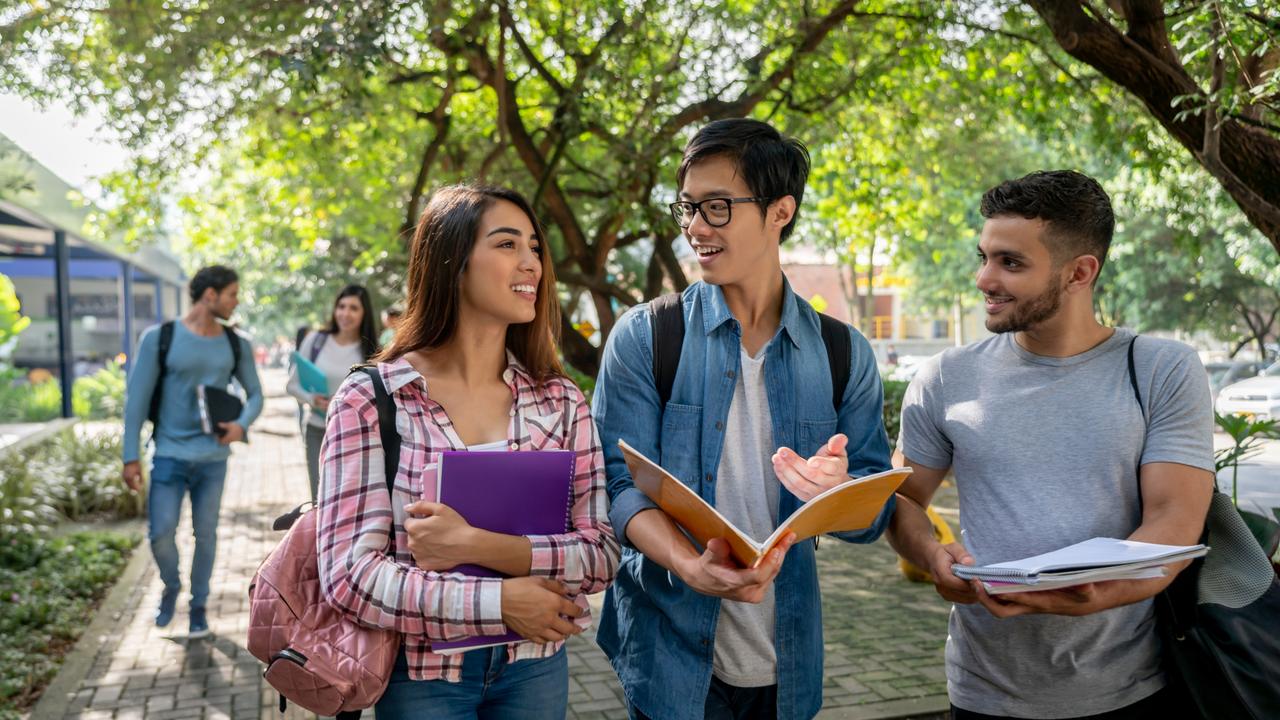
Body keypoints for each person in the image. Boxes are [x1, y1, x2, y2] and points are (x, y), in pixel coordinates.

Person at [592, 118, 895, 720]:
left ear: (780, 212)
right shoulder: (647, 336)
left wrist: (840, 495)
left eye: (718, 207)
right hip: (669, 660)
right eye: (688, 207)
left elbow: (871, 516)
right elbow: (614, 486)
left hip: (788, 667)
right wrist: (686, 565)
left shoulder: (844, 351)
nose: (695, 227)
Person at [886, 170, 1214, 719]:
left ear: (1080, 272)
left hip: (1130, 688)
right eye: (984, 255)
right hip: (983, 689)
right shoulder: (945, 377)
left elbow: (1174, 521)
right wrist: (929, 554)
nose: (983, 278)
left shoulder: (1162, 369)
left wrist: (1095, 593)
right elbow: (901, 499)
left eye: (1010, 262)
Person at [316, 184, 620, 719]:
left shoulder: (561, 399)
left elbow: (600, 555)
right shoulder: (373, 399)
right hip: (422, 676)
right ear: (451, 262)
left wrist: (474, 544)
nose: (531, 263)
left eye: (534, 247)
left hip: (535, 667)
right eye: (506, 245)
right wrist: (499, 602)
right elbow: (350, 576)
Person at [121, 265, 264, 638]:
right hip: (168, 453)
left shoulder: (237, 343)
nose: (236, 301)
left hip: (213, 459)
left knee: (207, 533)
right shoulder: (161, 338)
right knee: (160, 533)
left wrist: (241, 426)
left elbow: (256, 394)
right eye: (232, 293)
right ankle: (171, 586)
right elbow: (135, 401)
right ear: (210, 295)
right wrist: (129, 455)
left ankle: (199, 604)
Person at [286, 284, 379, 500]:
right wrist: (312, 399)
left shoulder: (372, 350)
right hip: (318, 430)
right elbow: (291, 384)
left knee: (350, 501)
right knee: (320, 501)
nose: (345, 313)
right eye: (342, 306)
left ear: (364, 313)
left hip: (356, 435)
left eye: (354, 308)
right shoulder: (315, 341)